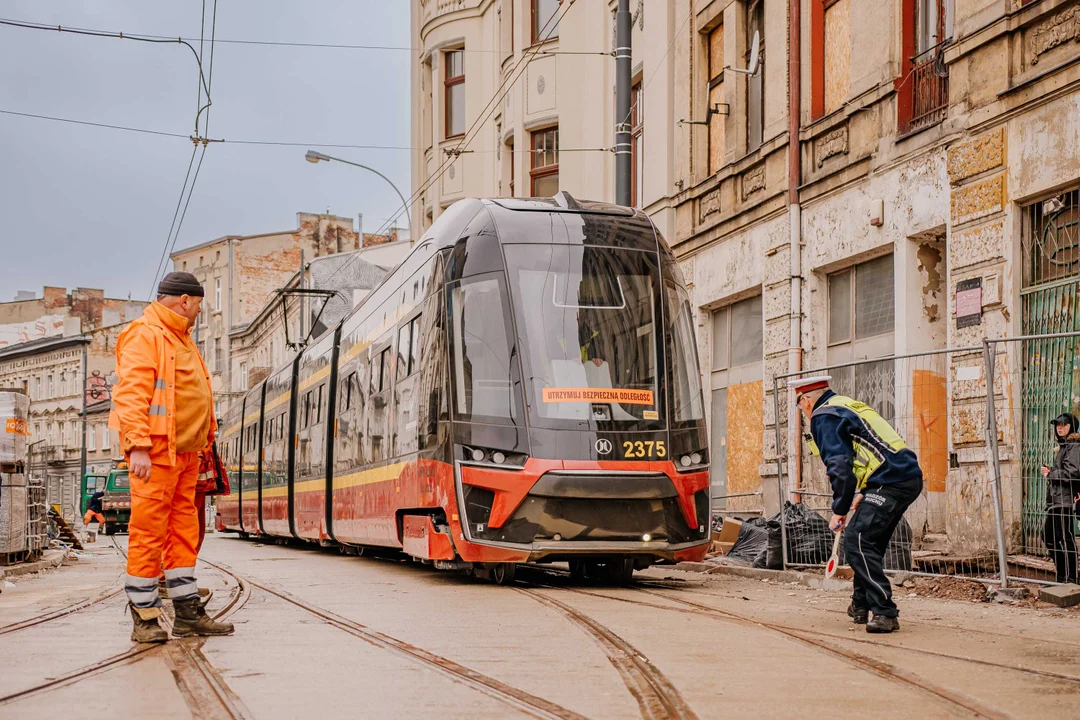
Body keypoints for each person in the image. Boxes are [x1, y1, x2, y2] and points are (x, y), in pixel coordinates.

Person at [109, 272, 234, 644]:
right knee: (148, 533)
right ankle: (145, 618)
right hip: (158, 452)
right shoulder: (145, 334)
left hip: (186, 454)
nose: (199, 310)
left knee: (184, 532)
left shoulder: (180, 338)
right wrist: (139, 446)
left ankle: (187, 613)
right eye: (198, 303)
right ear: (184, 301)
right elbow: (131, 394)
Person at [790, 376, 923, 634]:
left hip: (891, 480)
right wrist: (865, 490)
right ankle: (860, 605)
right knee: (867, 543)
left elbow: (840, 467)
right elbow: (869, 448)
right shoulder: (846, 405)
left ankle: (885, 612)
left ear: (805, 401)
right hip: (901, 477)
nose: (803, 412)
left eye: (800, 407)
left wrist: (839, 509)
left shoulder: (823, 416)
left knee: (857, 540)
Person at [1041, 413, 1080, 584]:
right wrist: (1052, 471)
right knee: (1049, 536)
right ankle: (1062, 576)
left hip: (1065, 500)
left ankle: (1070, 579)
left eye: (1063, 425)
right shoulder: (1065, 447)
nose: (1059, 427)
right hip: (1057, 500)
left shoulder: (1074, 446)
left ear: (1072, 427)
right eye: (1057, 425)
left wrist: (1051, 474)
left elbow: (1074, 472)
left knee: (1065, 538)